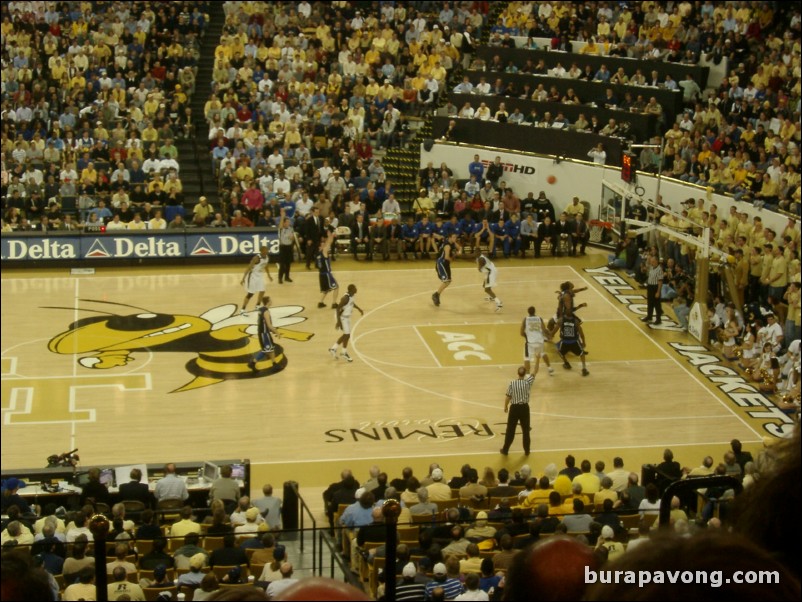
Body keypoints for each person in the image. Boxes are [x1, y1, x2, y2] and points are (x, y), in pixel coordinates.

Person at [499, 366, 535, 456]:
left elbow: (508, 396)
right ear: (525, 373)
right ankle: (527, 451)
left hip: (514, 408)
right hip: (524, 408)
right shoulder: (528, 382)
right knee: (526, 431)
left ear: (517, 373)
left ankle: (505, 450)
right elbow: (535, 372)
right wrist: (538, 359)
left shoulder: (512, 383)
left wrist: (505, 406)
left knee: (510, 430)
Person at [328, 284, 365, 363]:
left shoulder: (351, 296)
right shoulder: (345, 298)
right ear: (351, 289)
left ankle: (334, 349)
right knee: (347, 335)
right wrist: (338, 322)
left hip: (347, 317)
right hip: (342, 317)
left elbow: (352, 303)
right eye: (355, 288)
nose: (356, 289)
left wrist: (359, 309)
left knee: (346, 335)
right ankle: (343, 352)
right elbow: (338, 309)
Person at [247, 296, 280, 371]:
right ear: (268, 302)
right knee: (267, 350)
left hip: (261, 332)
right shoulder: (266, 312)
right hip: (264, 334)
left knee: (270, 349)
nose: (271, 301)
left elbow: (260, 322)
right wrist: (277, 332)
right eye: (270, 300)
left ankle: (274, 364)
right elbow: (269, 325)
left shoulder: (261, 310)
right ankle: (252, 363)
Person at [240, 245, 273, 314]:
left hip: (260, 275)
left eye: (267, 250)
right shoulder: (256, 258)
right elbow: (248, 268)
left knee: (262, 290)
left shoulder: (267, 257)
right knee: (251, 294)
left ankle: (257, 305)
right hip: (252, 275)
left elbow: (266, 266)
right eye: (266, 250)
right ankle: (242, 309)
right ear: (262, 251)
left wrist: (269, 276)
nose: (267, 251)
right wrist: (243, 278)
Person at [521, 306, 554, 376]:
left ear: (528, 312)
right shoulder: (539, 318)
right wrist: (549, 336)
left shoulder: (525, 319)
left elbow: (521, 332)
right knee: (542, 353)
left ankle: (527, 375)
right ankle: (550, 368)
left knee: (527, 358)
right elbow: (544, 330)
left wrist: (526, 336)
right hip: (539, 341)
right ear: (534, 311)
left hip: (530, 342)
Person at [556, 309, 589, 376]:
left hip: (564, 342)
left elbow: (553, 332)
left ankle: (566, 363)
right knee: (582, 353)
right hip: (574, 342)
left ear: (564, 314)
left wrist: (548, 334)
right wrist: (584, 342)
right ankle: (584, 369)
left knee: (558, 351)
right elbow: (581, 334)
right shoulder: (576, 321)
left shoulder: (560, 321)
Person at [433, 232, 459, 306]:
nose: (455, 238)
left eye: (455, 237)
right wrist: (453, 257)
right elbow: (446, 257)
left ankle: (436, 294)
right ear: (449, 238)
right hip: (441, 263)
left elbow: (459, 248)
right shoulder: (447, 245)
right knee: (447, 281)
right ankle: (436, 295)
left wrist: (458, 252)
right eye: (453, 237)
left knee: (448, 281)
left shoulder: (452, 243)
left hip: (446, 264)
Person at [317, 232, 339, 309]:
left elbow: (327, 243)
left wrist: (330, 236)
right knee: (336, 287)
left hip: (321, 274)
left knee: (326, 289)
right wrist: (331, 235)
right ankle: (334, 303)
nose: (325, 245)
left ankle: (320, 302)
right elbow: (329, 243)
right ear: (320, 247)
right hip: (326, 274)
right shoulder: (323, 252)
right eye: (322, 245)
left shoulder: (318, 254)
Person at [642, 256, 664, 324]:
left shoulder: (659, 269)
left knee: (657, 304)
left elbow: (660, 281)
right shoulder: (651, 268)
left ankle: (658, 319)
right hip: (650, 286)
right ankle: (649, 316)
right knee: (650, 302)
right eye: (651, 261)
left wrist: (658, 292)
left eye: (653, 261)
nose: (652, 263)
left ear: (657, 261)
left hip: (655, 287)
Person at [277, 215, 299, 284]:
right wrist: (282, 216)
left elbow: (293, 237)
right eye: (286, 222)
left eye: (289, 222)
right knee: (282, 264)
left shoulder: (291, 228)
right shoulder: (281, 229)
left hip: (289, 247)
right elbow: (280, 225)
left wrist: (292, 238)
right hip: (283, 247)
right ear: (283, 223)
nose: (288, 223)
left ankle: (287, 277)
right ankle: (280, 278)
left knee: (288, 263)